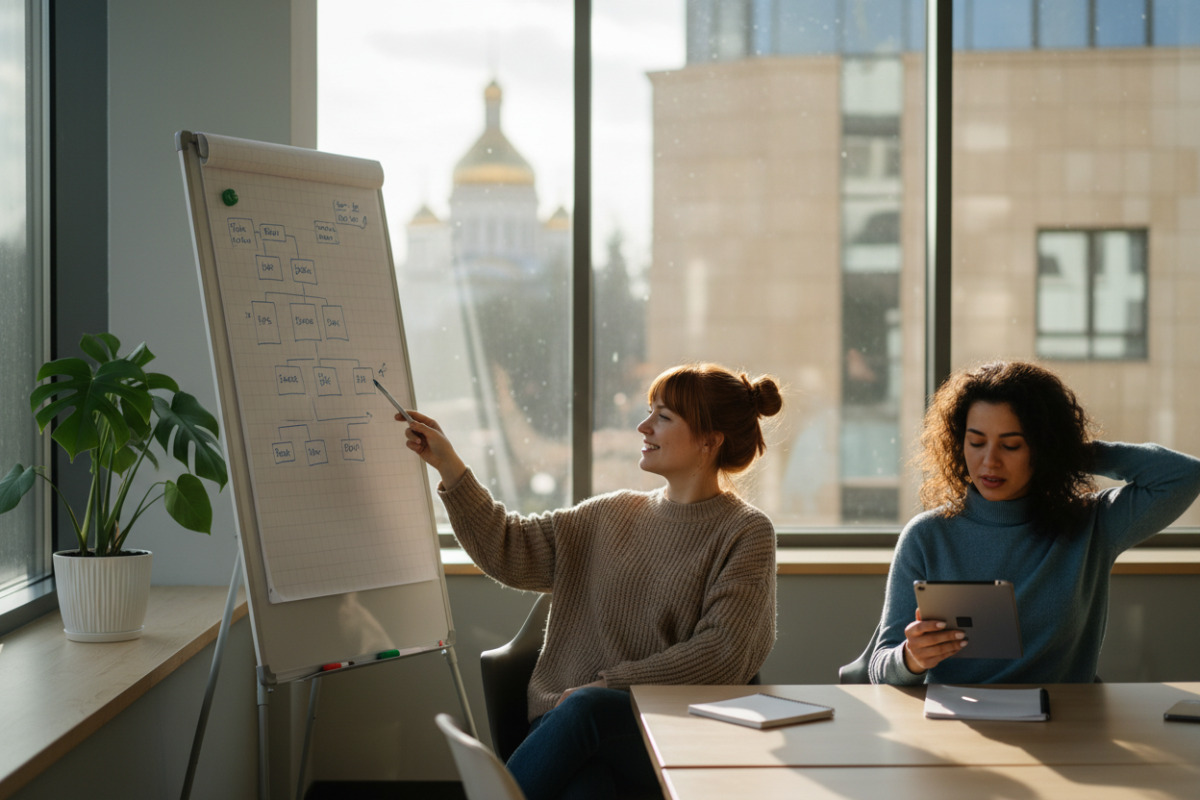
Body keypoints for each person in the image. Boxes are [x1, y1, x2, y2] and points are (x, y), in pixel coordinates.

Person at [400, 363, 783, 800]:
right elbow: (508, 547)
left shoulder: (746, 532)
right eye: (649, 411)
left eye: (664, 417)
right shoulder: (610, 513)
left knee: (589, 711)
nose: (643, 426)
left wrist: (609, 685)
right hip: (563, 723)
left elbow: (723, 655)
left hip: (670, 731)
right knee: (587, 790)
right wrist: (448, 464)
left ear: (709, 441)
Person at [870, 360, 1200, 686]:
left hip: (1062, 725)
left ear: (1041, 448)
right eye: (976, 442)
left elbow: (1185, 476)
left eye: (1011, 445)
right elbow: (879, 667)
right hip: (958, 727)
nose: (990, 461)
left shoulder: (1092, 525)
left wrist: (1070, 453)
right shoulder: (927, 536)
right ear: (959, 444)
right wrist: (910, 658)